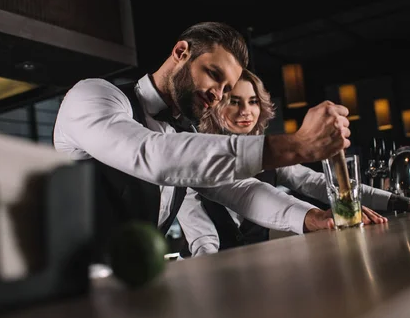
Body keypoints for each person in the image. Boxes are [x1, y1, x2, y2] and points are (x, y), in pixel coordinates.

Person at [53, 22, 350, 258]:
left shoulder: (185, 133)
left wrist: (311, 217)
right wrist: (296, 145)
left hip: (138, 286)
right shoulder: (93, 95)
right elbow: (153, 156)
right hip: (70, 289)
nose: (217, 95)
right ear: (181, 52)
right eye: (212, 73)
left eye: (225, 88)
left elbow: (240, 189)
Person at [180, 69, 410, 256]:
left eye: (253, 101)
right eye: (234, 102)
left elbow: (317, 182)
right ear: (215, 106)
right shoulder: (196, 158)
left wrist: (403, 203)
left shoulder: (272, 157)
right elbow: (200, 235)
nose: (246, 111)